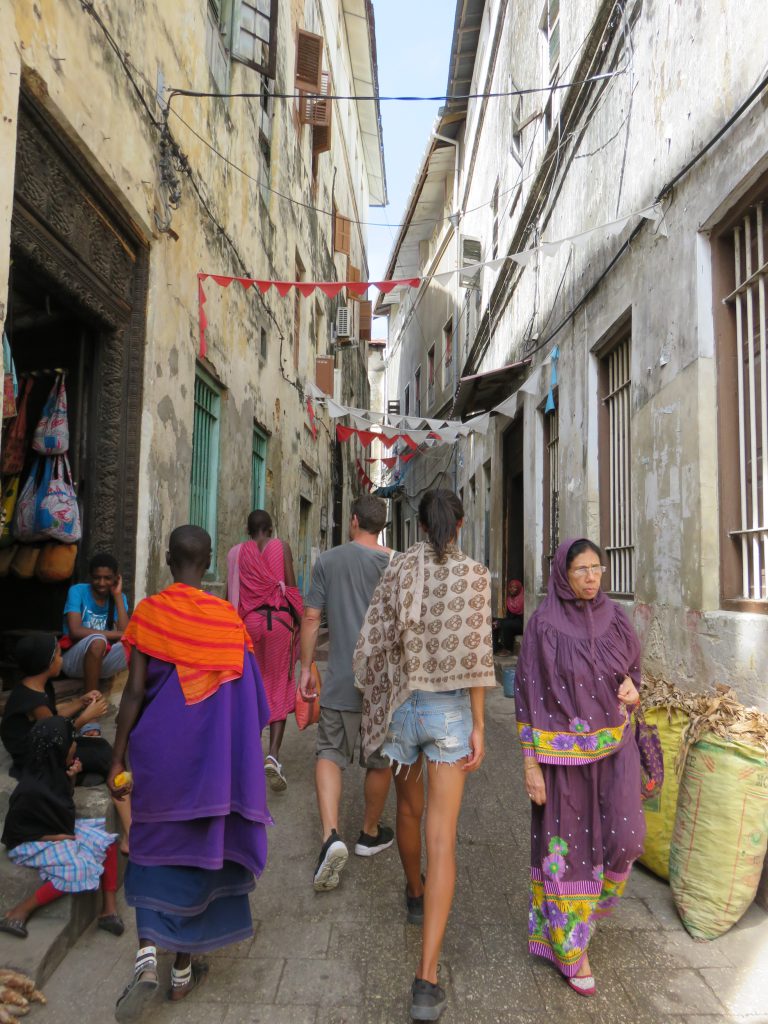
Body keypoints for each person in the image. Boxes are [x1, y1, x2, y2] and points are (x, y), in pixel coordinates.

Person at [108, 525, 272, 1023]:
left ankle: (145, 959)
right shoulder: (227, 622)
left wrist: (116, 756)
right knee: (199, 856)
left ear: (166, 558)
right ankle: (181, 969)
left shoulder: (150, 613)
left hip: (159, 760)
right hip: (212, 769)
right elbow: (255, 706)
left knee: (152, 849)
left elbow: (133, 694)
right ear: (208, 565)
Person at [354, 489, 495, 1022]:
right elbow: (478, 654)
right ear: (458, 525)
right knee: (443, 836)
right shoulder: (474, 576)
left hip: (403, 710)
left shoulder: (397, 570)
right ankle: (426, 979)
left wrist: (379, 693)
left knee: (407, 813)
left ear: (418, 524)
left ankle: (414, 894)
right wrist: (479, 725)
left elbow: (374, 641)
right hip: (449, 713)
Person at [514, 538, 645, 997]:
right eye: (581, 571)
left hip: (617, 750)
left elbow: (634, 672)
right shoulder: (542, 626)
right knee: (566, 856)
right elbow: (527, 698)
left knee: (627, 843)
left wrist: (634, 689)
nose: (592, 578)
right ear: (562, 575)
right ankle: (571, 949)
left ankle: (586, 916)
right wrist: (531, 764)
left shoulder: (617, 619)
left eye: (598, 569)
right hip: (561, 764)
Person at [299, 495, 394, 893]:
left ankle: (330, 835)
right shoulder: (397, 563)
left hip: (339, 678)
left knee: (330, 755)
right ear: (382, 525)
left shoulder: (328, 561)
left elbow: (311, 617)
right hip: (383, 684)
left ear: (354, 520)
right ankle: (368, 834)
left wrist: (306, 669)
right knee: (378, 760)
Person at [0, 634, 131, 853]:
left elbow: (55, 714)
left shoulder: (39, 686)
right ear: (47, 664)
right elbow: (55, 738)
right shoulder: (31, 700)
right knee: (109, 760)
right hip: (35, 757)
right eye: (59, 655)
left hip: (49, 744)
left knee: (99, 746)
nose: (62, 660)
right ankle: (130, 831)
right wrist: (85, 718)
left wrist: (81, 701)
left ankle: (87, 775)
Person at [0, 716, 122, 939]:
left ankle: (109, 910)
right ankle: (19, 911)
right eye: (71, 744)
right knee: (79, 869)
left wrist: (72, 779)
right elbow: (14, 835)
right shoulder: (30, 791)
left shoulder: (54, 770)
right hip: (33, 841)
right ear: (58, 750)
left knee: (107, 842)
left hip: (59, 829)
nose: (76, 748)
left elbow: (63, 805)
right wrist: (55, 837)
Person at [227, 510, 303, 791]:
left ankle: (247, 759)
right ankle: (272, 756)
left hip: (249, 624)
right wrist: (301, 622)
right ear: (270, 528)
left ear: (248, 529)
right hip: (279, 623)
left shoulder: (236, 553)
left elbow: (228, 596)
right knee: (279, 686)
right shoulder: (280, 547)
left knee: (252, 689)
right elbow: (292, 588)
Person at [61, 553, 130, 692]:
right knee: (98, 641)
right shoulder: (77, 591)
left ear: (116, 578)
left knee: (139, 643)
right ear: (90, 576)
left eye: (107, 578)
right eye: (97, 578)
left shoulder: (119, 597)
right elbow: (75, 631)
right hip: (74, 661)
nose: (102, 583)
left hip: (102, 662)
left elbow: (125, 635)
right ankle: (91, 700)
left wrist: (117, 596)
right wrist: (114, 634)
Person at [493, 578, 524, 654]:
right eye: (511, 587)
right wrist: (499, 621)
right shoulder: (508, 600)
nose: (512, 589)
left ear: (519, 589)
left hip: (522, 624)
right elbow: (508, 616)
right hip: (511, 622)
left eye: (515, 587)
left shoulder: (523, 599)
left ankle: (508, 649)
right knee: (495, 623)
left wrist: (502, 622)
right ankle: (495, 647)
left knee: (506, 624)